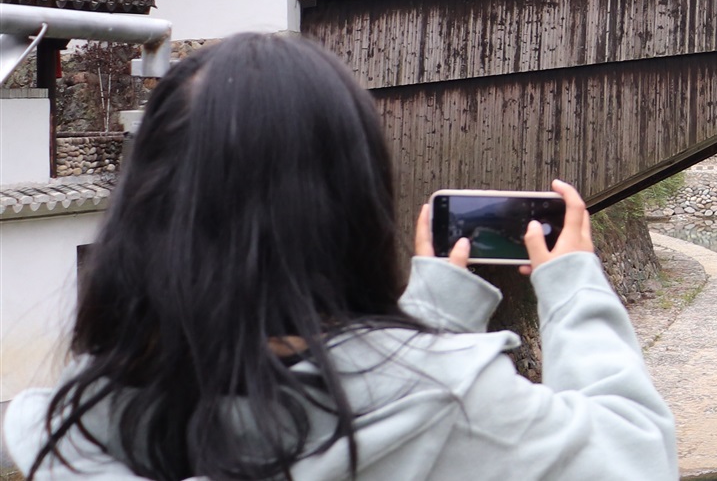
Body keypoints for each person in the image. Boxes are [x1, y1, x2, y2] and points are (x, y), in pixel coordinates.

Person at [1, 33, 676, 481]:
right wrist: (574, 289)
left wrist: (434, 311)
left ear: (141, 211)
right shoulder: (460, 405)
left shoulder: (70, 427)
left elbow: (318, 384)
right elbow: (636, 453)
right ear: (353, 210)